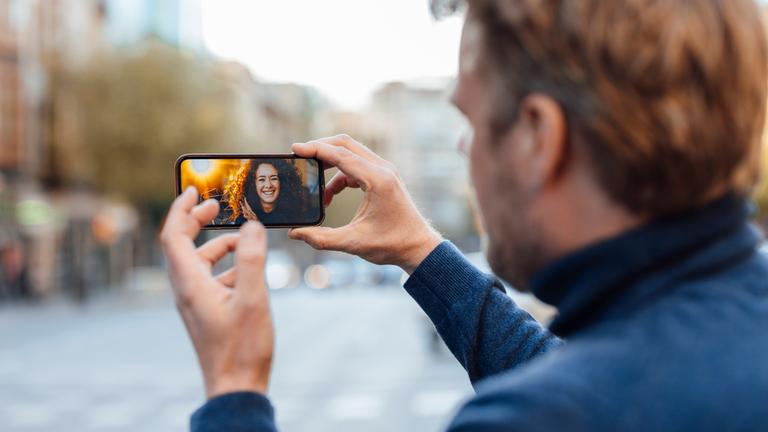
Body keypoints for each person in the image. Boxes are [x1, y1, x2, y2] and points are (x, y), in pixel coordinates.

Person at [159, 0, 768, 430]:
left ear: (539, 138)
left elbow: (580, 396)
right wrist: (419, 250)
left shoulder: (535, 419)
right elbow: (580, 372)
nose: (463, 146)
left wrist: (235, 389)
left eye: (471, 121)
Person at [221, 159, 306, 225]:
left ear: (282, 182)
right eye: (262, 179)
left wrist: (256, 223)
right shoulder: (243, 219)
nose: (268, 185)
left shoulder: (292, 217)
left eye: (273, 178)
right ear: (253, 184)